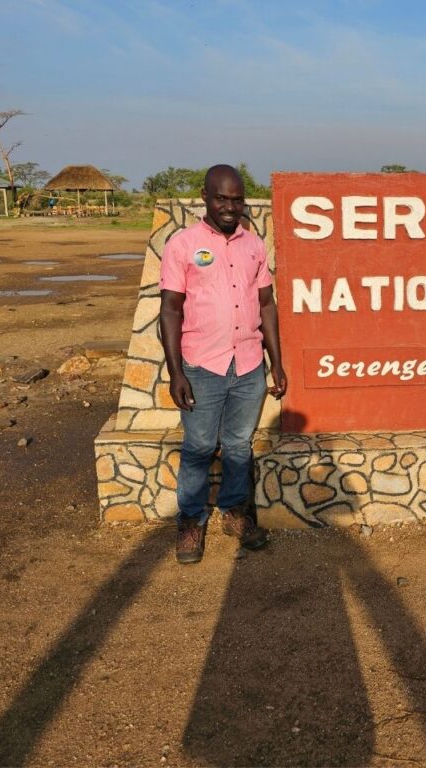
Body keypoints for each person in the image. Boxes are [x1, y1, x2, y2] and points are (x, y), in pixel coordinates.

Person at [159, 164, 287, 563]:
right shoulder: (183, 245)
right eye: (222, 199)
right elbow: (170, 310)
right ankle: (191, 523)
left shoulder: (253, 245)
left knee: (238, 446)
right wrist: (176, 372)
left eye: (237, 200)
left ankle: (234, 513)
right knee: (198, 447)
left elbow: (266, 304)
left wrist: (275, 363)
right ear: (205, 196)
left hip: (248, 365)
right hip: (201, 366)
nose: (230, 207)